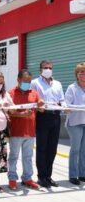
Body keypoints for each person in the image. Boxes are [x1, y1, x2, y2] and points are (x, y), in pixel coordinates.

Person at [7, 69, 44, 190]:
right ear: (18, 80)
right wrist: (21, 115)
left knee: (28, 157)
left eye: (29, 81)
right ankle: (12, 179)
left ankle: (27, 178)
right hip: (16, 131)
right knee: (13, 156)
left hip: (30, 131)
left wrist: (41, 104)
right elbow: (7, 112)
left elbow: (40, 107)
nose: (27, 83)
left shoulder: (34, 93)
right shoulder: (10, 93)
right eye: (25, 81)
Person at [31, 60, 65, 188]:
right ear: (40, 69)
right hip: (42, 117)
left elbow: (62, 99)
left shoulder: (57, 83)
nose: (48, 69)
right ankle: (41, 177)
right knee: (42, 147)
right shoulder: (35, 83)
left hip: (55, 117)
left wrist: (65, 106)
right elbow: (32, 99)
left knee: (52, 148)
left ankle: (48, 176)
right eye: (45, 67)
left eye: (50, 67)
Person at [65, 62, 85, 185]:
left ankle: (82, 174)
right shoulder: (72, 88)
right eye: (81, 72)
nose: (83, 74)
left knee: (84, 150)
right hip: (74, 123)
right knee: (75, 149)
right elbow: (66, 104)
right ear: (77, 75)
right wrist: (81, 107)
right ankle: (73, 175)